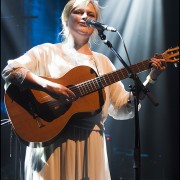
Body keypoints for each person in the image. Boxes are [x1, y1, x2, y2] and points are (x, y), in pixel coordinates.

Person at [1, 0, 166, 179]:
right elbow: (11, 71)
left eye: (91, 14)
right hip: (50, 145)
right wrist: (49, 87)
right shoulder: (46, 52)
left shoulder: (102, 62)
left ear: (96, 24)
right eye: (79, 12)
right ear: (66, 18)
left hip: (91, 146)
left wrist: (151, 79)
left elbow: (123, 107)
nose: (85, 17)